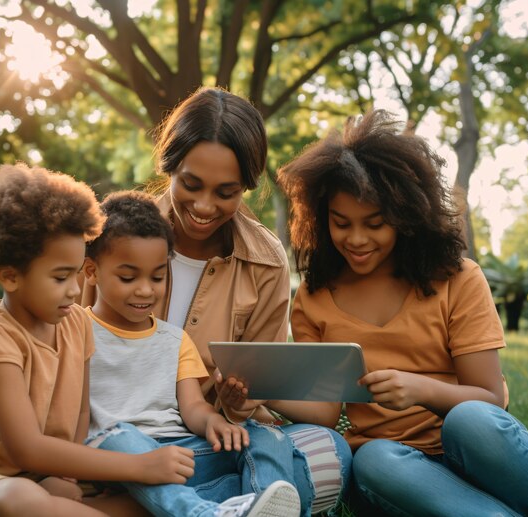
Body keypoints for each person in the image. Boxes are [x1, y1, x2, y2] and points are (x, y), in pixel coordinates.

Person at [79, 86, 352, 514]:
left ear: (246, 186)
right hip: (118, 437)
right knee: (113, 449)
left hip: (204, 437)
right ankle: (227, 502)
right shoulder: (115, 238)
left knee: (328, 450)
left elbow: (250, 390)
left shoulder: (266, 262)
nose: (205, 206)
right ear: (168, 167)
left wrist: (242, 401)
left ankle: (162, 505)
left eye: (226, 192)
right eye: (191, 184)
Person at [277, 109, 528, 516]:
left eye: (375, 223)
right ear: (320, 219)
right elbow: (325, 413)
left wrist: (420, 390)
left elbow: (490, 399)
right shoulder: (315, 297)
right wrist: (259, 387)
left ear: (405, 216)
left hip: (474, 448)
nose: (357, 239)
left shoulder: (457, 278)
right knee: (372, 460)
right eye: (341, 223)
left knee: (471, 419)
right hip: (399, 469)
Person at [0, 163, 195, 517]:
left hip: (40, 473)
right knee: (20, 500)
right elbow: (26, 449)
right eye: (60, 277)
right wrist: (141, 466)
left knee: (150, 497)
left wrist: (61, 475)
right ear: (10, 276)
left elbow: (79, 413)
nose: (76, 289)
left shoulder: (76, 324)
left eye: (77, 273)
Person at [81, 189, 302, 517]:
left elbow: (193, 406)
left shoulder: (174, 340)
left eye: (157, 277)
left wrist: (215, 423)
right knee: (121, 435)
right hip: (118, 457)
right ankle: (203, 513)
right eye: (128, 277)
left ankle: (258, 504)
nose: (145, 290)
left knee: (268, 437)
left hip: (180, 452)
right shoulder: (75, 330)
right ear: (91, 271)